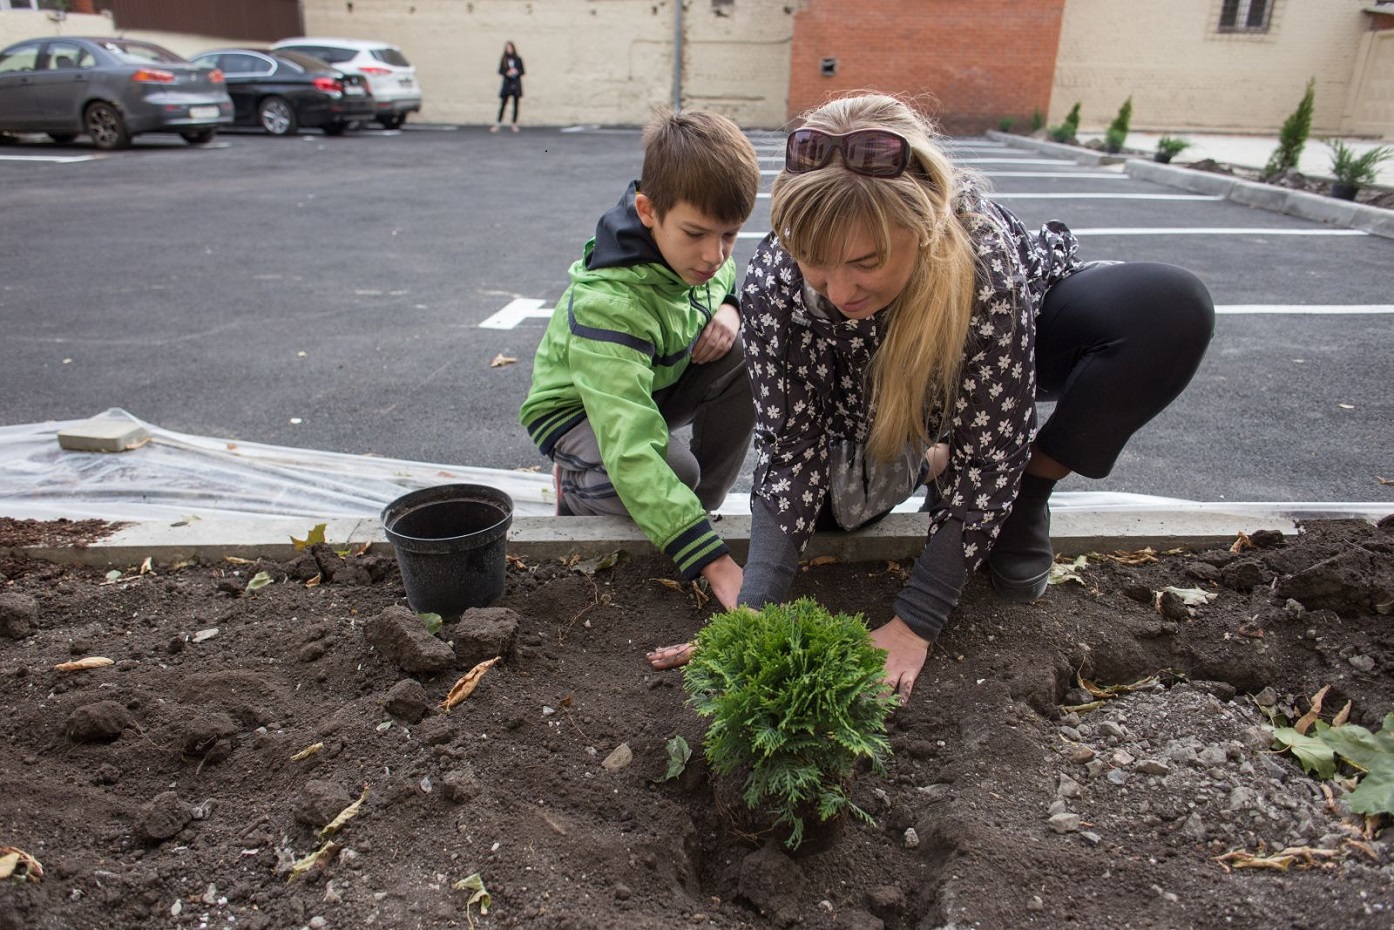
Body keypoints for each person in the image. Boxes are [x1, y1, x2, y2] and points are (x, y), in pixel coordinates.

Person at [646, 94, 1215, 702]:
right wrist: (754, 613)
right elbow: (791, 454)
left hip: (997, 350)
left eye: (865, 263)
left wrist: (915, 622)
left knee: (1170, 309)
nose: (840, 289)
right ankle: (936, 466)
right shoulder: (776, 280)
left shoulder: (980, 255)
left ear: (921, 230)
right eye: (817, 263)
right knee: (833, 512)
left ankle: (1030, 491)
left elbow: (991, 452)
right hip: (869, 399)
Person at [519, 108, 762, 610]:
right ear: (648, 210)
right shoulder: (611, 303)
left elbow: (724, 274)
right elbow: (630, 442)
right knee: (670, 471)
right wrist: (714, 563)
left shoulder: (698, 253)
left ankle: (694, 514)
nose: (714, 255)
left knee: (740, 354)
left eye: (730, 235)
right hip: (577, 411)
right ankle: (582, 492)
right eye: (696, 234)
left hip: (651, 381)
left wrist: (732, 308)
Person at [492, 41, 524, 132]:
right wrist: (507, 73)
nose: (509, 50)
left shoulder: (518, 59)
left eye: (510, 48)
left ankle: (514, 123)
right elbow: (500, 71)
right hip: (507, 83)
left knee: (516, 105)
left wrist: (516, 72)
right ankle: (499, 122)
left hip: (516, 84)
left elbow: (522, 71)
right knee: (503, 104)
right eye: (507, 48)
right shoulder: (504, 59)